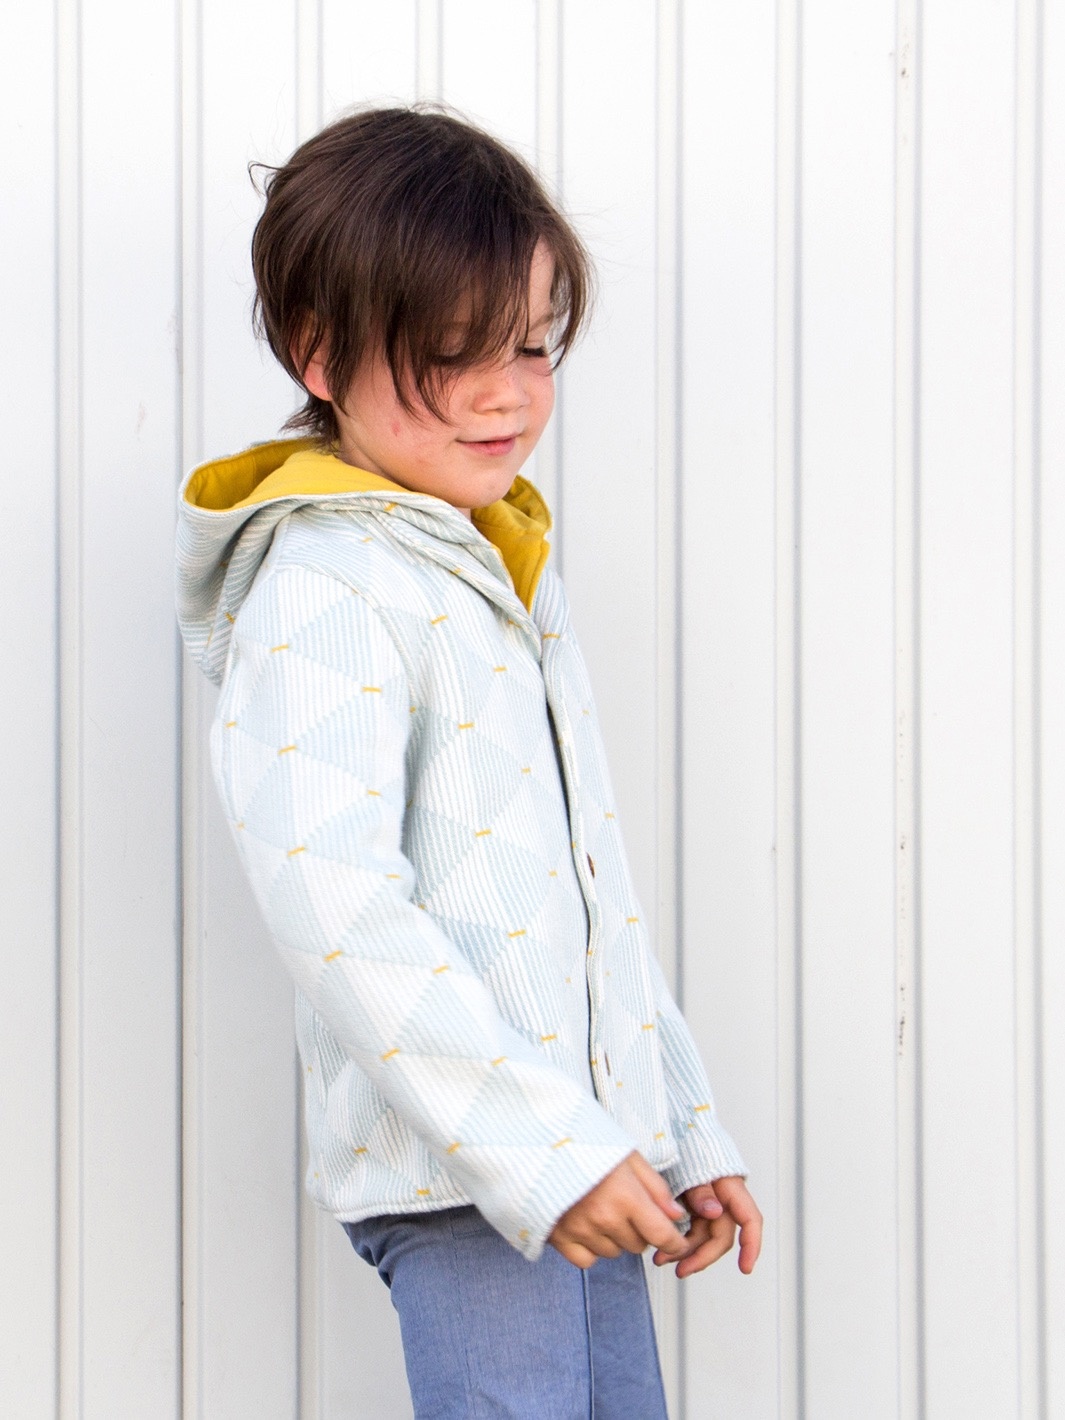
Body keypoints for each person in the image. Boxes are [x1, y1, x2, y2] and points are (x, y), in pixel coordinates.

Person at [176, 104, 761, 1418]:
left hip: (578, 1161)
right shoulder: (328, 584)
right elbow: (334, 904)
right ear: (317, 351)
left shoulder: (487, 561)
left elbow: (586, 898)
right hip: (471, 1173)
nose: (508, 391)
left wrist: (676, 1127)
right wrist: (542, 1149)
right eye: (452, 353)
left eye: (533, 345)